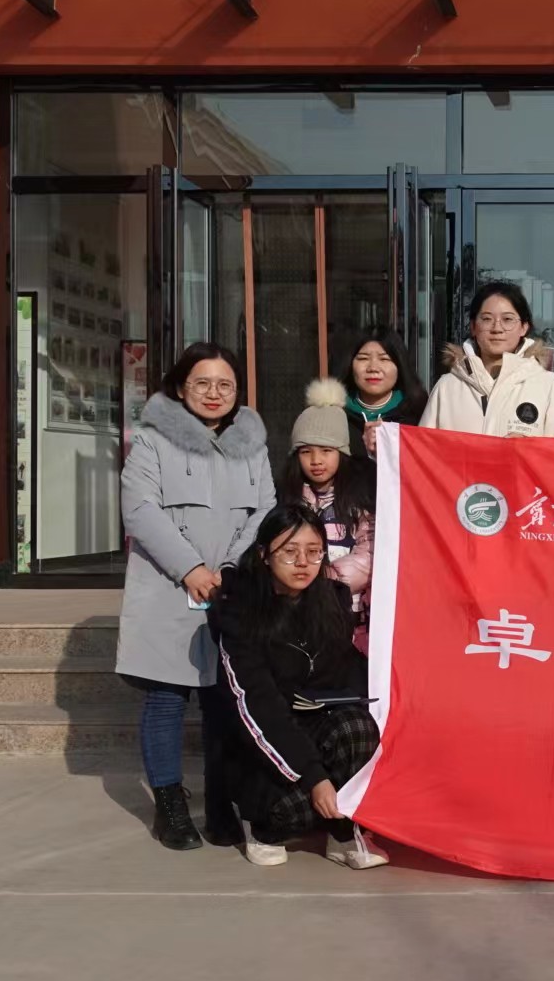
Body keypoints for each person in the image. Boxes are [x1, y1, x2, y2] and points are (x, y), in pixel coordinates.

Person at [117, 342, 275, 851]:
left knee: (223, 700)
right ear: (181, 387)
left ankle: (221, 803)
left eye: (225, 384)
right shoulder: (153, 439)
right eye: (202, 383)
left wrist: (228, 568)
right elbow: (140, 509)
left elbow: (265, 511)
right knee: (166, 698)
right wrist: (190, 568)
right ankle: (170, 806)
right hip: (169, 586)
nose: (214, 393)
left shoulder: (252, 444)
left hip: (229, 589)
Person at [210, 504, 389, 870]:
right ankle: (261, 828)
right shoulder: (239, 611)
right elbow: (256, 706)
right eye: (289, 552)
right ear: (264, 555)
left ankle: (341, 834)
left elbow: (345, 678)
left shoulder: (332, 601)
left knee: (357, 726)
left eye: (313, 551)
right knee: (285, 814)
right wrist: (315, 777)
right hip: (261, 745)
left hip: (315, 730)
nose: (303, 563)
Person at [281, 378, 376, 653]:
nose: (316, 460)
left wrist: (328, 575)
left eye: (326, 451)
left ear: (342, 453)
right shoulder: (289, 497)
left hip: (349, 610)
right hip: (299, 608)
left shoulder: (359, 497)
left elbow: (370, 551)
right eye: (306, 451)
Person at [420, 280, 554, 439]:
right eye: (487, 319)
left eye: (507, 319)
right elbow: (423, 450)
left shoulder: (546, 385)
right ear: (473, 327)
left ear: (524, 327)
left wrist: (530, 448)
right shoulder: (447, 387)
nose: (497, 328)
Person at [336, 328, 426, 459]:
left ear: (399, 365)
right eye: (363, 358)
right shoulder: (334, 414)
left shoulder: (419, 414)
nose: (373, 368)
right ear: (350, 364)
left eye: (384, 359)